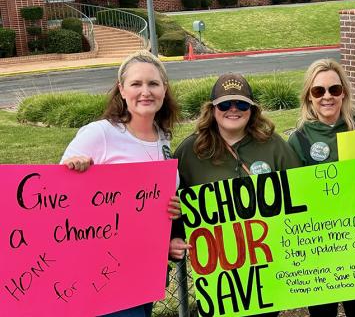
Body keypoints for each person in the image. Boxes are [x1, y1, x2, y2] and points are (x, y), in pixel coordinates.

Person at [61, 50, 181, 317]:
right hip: (103, 275)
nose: (145, 91)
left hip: (146, 271)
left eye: (153, 83)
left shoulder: (163, 139)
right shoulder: (100, 133)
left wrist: (173, 215)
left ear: (164, 89)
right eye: (136, 84)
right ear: (122, 90)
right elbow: (58, 202)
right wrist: (73, 168)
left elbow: (147, 209)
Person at [170, 73, 301, 317]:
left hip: (266, 269)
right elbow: (169, 202)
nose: (233, 110)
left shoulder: (273, 145)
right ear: (213, 109)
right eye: (225, 104)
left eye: (241, 104)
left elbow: (305, 195)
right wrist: (173, 238)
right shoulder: (190, 151)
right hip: (219, 277)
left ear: (252, 109)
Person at [288, 58, 355, 317]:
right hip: (319, 246)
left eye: (334, 89)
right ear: (309, 96)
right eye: (319, 91)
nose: (327, 97)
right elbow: (292, 198)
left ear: (344, 92)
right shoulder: (298, 140)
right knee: (322, 314)